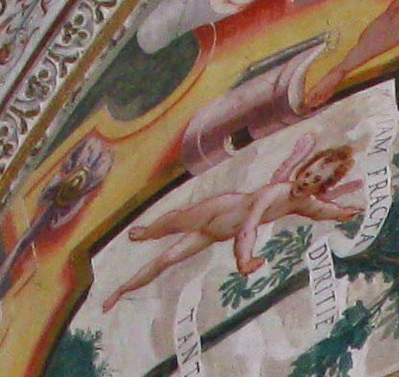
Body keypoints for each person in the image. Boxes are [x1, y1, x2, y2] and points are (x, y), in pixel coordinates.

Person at [81, 131, 368, 316]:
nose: (306, 180)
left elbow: (323, 211)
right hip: (219, 211)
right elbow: (249, 226)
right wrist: (244, 259)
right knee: (174, 222)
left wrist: (343, 212)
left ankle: (121, 291)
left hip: (214, 235)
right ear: (303, 168)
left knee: (167, 260)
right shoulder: (276, 192)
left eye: (316, 181)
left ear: (322, 186)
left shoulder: (304, 203)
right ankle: (148, 232)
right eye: (308, 173)